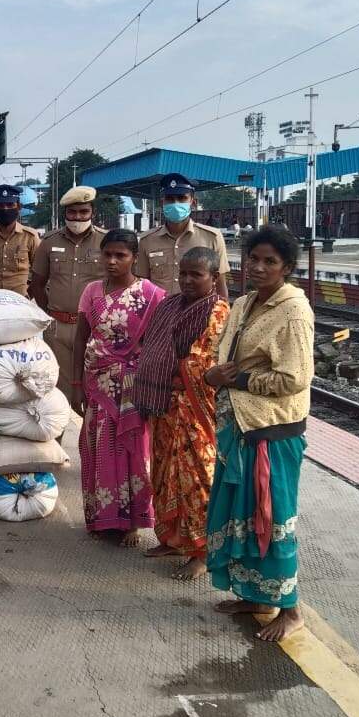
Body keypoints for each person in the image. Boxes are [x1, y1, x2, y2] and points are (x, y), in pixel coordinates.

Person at [203, 224, 313, 642]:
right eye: (254, 259)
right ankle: (255, 595)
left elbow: (295, 377)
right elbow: (224, 359)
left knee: (272, 516)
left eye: (271, 261)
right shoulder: (245, 303)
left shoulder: (294, 312)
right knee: (241, 517)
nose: (259, 267)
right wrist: (216, 375)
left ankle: (290, 607)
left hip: (271, 431)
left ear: (286, 267)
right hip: (239, 428)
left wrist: (242, 381)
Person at [135, 248, 230, 580]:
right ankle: (172, 539)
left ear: (214, 278)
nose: (188, 280)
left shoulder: (217, 311)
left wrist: (177, 368)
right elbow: (150, 345)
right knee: (163, 473)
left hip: (193, 410)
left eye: (197, 275)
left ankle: (201, 552)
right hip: (163, 406)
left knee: (196, 479)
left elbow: (207, 361)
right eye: (184, 273)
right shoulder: (169, 305)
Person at [71, 229, 166, 547]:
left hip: (131, 387)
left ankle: (132, 522)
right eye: (107, 254)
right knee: (97, 447)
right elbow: (80, 338)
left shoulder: (151, 294)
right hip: (96, 383)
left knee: (132, 451)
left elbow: (156, 343)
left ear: (134, 258)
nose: (112, 261)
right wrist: (75, 384)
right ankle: (102, 516)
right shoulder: (92, 292)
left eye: (120, 255)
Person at [30, 185, 106, 400]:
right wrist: (49, 313)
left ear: (93, 212)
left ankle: (91, 432)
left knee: (96, 387)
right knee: (58, 389)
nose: (77, 218)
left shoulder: (106, 241)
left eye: (83, 212)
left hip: (95, 327)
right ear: (64, 214)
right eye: (72, 212)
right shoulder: (48, 242)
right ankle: (61, 431)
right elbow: (37, 283)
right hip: (58, 327)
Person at [137, 173, 230, 300]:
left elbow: (220, 283)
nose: (175, 203)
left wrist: (224, 316)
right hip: (158, 314)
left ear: (193, 202)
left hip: (199, 315)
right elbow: (142, 285)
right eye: (170, 198)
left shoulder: (212, 237)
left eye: (182, 198)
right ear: (162, 202)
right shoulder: (146, 241)